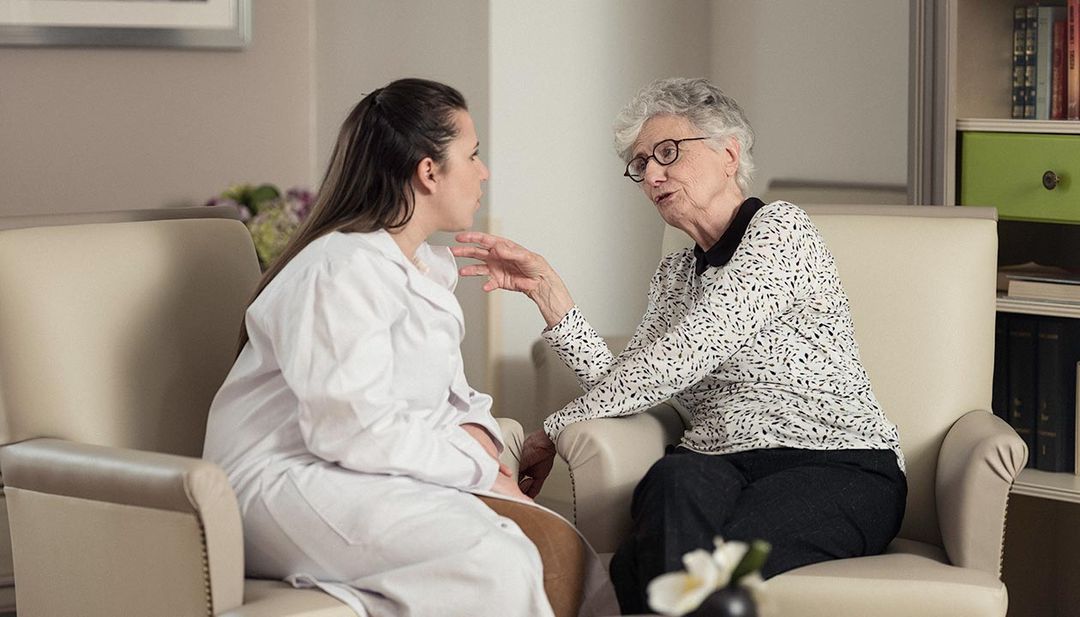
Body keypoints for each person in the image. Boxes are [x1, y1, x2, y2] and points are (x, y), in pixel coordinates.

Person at [452, 77, 908, 614]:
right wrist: (548, 292)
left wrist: (551, 428)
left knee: (683, 566)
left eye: (667, 152)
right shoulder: (675, 273)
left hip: (834, 465)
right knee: (672, 481)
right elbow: (626, 384)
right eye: (641, 164)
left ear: (729, 154)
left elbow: (682, 357)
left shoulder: (781, 229)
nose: (652, 175)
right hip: (715, 463)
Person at [202, 78, 614, 617]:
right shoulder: (339, 270)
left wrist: (479, 440)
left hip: (359, 471)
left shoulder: (422, 271)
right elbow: (350, 428)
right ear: (428, 172)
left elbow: (457, 398)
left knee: (562, 556)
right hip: (285, 483)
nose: (483, 172)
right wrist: (476, 465)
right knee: (494, 561)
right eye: (473, 155)